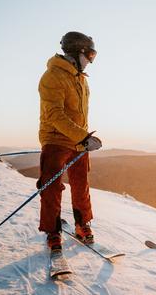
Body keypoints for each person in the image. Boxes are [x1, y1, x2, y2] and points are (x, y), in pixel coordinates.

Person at [37, 31, 103, 252]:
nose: (91, 60)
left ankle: (81, 224)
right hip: (56, 139)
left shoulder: (80, 80)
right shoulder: (52, 76)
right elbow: (54, 115)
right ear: (77, 52)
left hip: (78, 142)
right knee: (52, 187)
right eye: (90, 54)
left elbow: (78, 115)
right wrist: (83, 136)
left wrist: (84, 138)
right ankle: (52, 231)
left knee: (81, 184)